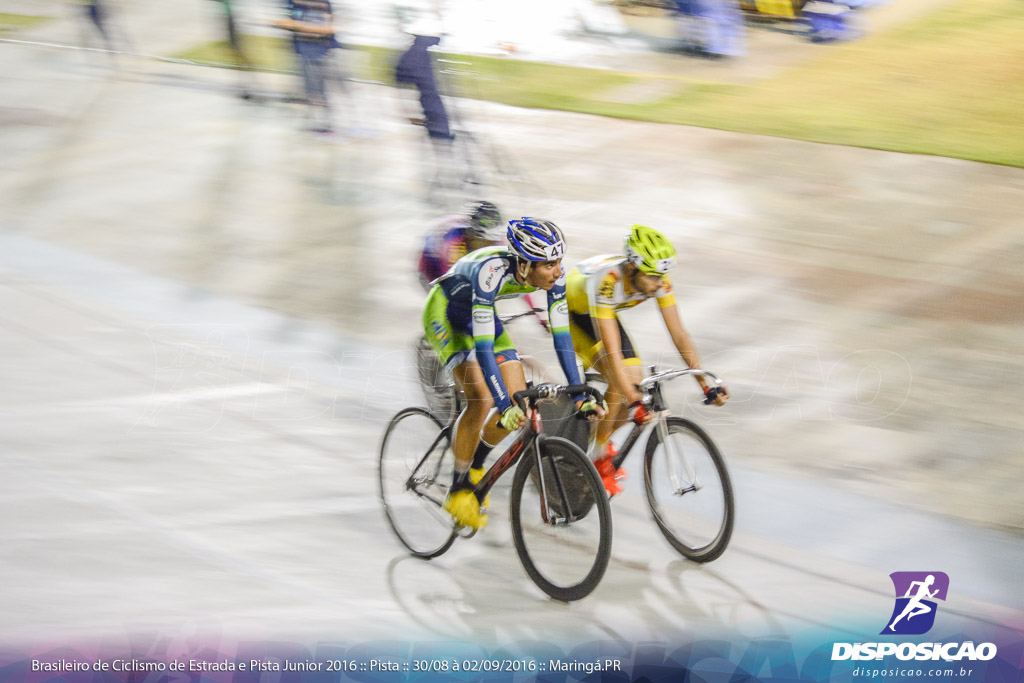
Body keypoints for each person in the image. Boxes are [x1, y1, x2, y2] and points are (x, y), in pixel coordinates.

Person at [422, 218, 605, 530]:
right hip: (445, 310)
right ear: (524, 264)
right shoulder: (490, 273)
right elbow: (482, 348)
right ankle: (457, 488)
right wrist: (501, 406)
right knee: (481, 401)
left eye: (559, 261)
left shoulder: (553, 278)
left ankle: (477, 464)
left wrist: (578, 394)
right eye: (548, 265)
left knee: (521, 407)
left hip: (478, 314)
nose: (558, 271)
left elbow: (563, 339)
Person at [565, 224, 729, 496]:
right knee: (621, 383)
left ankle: (596, 434)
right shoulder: (609, 283)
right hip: (571, 313)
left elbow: (679, 334)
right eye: (652, 276)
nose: (659, 283)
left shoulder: (659, 280)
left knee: (634, 385)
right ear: (631, 269)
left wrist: (704, 383)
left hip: (598, 312)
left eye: (662, 275)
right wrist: (630, 396)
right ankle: (596, 459)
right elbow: (612, 349)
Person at [273, 0, 341, 134]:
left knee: (319, 89)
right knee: (311, 89)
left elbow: (328, 26)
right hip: (306, 50)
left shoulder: (322, 4)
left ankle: (326, 122)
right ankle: (318, 121)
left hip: (318, 50)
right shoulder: (296, 3)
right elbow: (292, 21)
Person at [417, 200, 505, 290]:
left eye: (491, 240)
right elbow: (452, 278)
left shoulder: (496, 239)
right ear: (470, 234)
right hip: (432, 264)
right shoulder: (454, 240)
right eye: (484, 240)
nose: (489, 243)